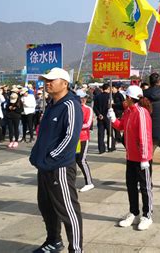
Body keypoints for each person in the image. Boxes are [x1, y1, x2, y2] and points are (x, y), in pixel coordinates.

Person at [29, 67, 83, 253]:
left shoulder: (71, 105)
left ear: (65, 83)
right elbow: (44, 135)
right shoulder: (51, 104)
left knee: (68, 210)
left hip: (59, 167)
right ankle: (53, 241)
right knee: (46, 206)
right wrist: (37, 154)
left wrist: (52, 156)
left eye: (52, 80)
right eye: (46, 80)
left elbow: (70, 137)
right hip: (44, 166)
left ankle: (76, 249)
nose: (47, 83)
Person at [107, 85, 154, 231]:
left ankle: (147, 215)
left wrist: (145, 157)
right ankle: (134, 212)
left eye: (124, 97)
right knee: (131, 186)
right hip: (131, 156)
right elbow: (121, 126)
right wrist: (113, 119)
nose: (122, 101)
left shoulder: (141, 112)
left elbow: (144, 135)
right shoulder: (128, 111)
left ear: (129, 98)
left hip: (142, 158)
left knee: (145, 187)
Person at [76, 90, 94, 192]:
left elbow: (88, 124)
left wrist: (75, 126)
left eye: (84, 98)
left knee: (81, 160)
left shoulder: (88, 109)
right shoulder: (73, 108)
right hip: (74, 138)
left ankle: (89, 182)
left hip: (83, 137)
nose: (83, 100)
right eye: (80, 98)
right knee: (73, 160)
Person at [93, 84, 113, 154]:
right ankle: (110, 147)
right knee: (109, 133)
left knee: (100, 134)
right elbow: (111, 107)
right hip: (108, 117)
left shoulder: (97, 97)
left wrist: (99, 114)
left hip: (100, 117)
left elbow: (94, 107)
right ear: (107, 88)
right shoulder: (110, 97)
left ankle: (101, 149)